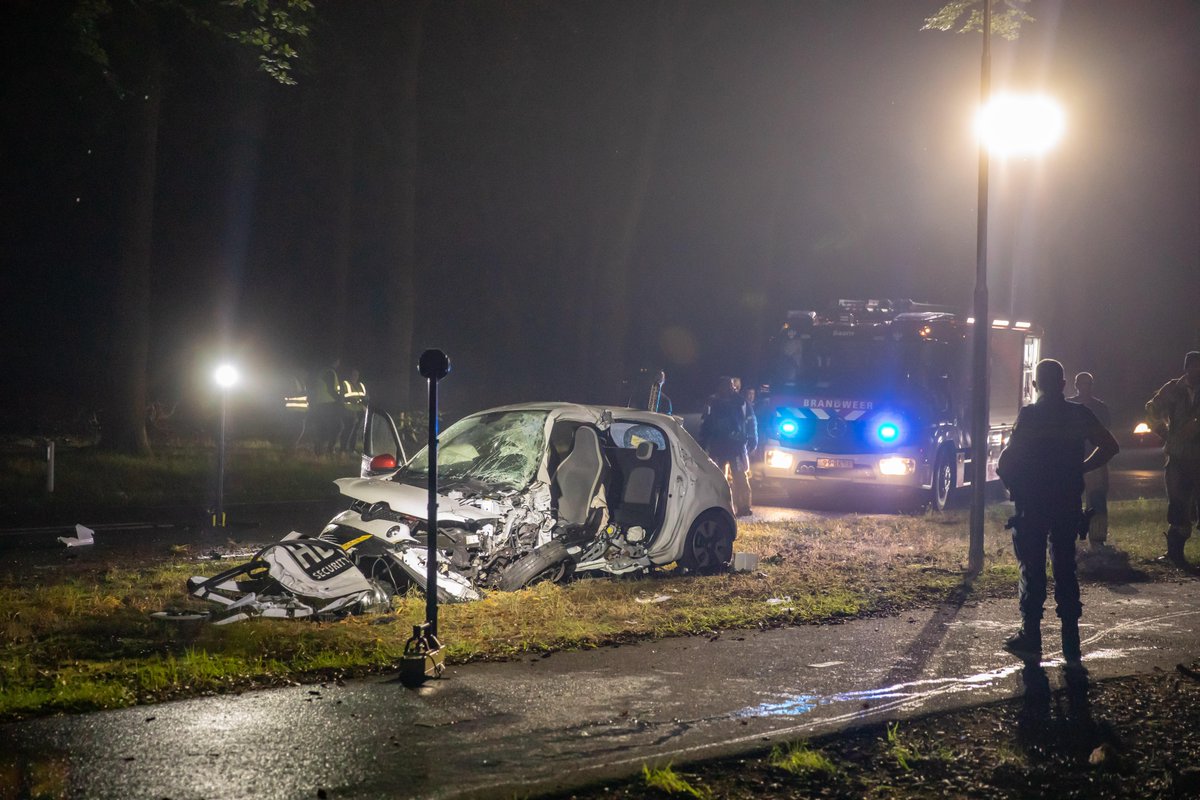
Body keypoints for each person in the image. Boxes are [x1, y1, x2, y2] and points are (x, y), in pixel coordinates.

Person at [997, 358, 1119, 664]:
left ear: (1036, 385)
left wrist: (1015, 487)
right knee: (1065, 566)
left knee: (1032, 568)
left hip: (1034, 504)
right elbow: (1110, 446)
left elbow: (1006, 462)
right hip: (1067, 502)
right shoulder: (1079, 414)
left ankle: (1031, 636)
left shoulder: (1030, 415)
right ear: (1063, 385)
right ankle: (1070, 637)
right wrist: (1081, 467)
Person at [1145, 351, 1200, 565]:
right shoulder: (1173, 389)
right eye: (1193, 367)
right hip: (1178, 456)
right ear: (1186, 368)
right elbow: (1151, 409)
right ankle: (1175, 555)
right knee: (1177, 505)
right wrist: (1164, 432)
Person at [1069, 372, 1112, 548]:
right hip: (1073, 459)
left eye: (1088, 384)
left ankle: (1097, 538)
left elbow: (1106, 434)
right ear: (1076, 385)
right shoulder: (1070, 406)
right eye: (1082, 384)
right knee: (1070, 500)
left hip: (1094, 460)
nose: (1085, 387)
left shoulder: (1100, 408)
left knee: (1097, 500)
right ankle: (1069, 537)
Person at [699, 377, 753, 517]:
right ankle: (717, 505)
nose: (728, 389)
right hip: (718, 446)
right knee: (717, 477)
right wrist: (703, 443)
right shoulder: (713, 403)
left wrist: (752, 439)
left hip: (736, 447)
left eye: (730, 386)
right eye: (724, 386)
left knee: (740, 477)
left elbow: (751, 421)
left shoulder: (741, 402)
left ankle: (744, 507)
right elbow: (706, 423)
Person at [308, 357, 342, 456]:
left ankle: (319, 451)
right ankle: (329, 449)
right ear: (336, 361)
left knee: (322, 429)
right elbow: (331, 390)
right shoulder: (330, 372)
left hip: (319, 405)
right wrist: (340, 399)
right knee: (337, 427)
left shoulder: (321, 372)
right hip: (328, 405)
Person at [339, 368, 368, 453]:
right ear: (350, 375)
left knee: (355, 431)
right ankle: (343, 449)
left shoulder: (361, 385)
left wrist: (364, 403)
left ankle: (352, 448)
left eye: (357, 374)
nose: (355, 376)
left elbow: (365, 397)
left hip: (359, 411)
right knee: (348, 429)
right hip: (348, 411)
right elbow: (342, 397)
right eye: (353, 374)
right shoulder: (345, 384)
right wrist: (353, 400)